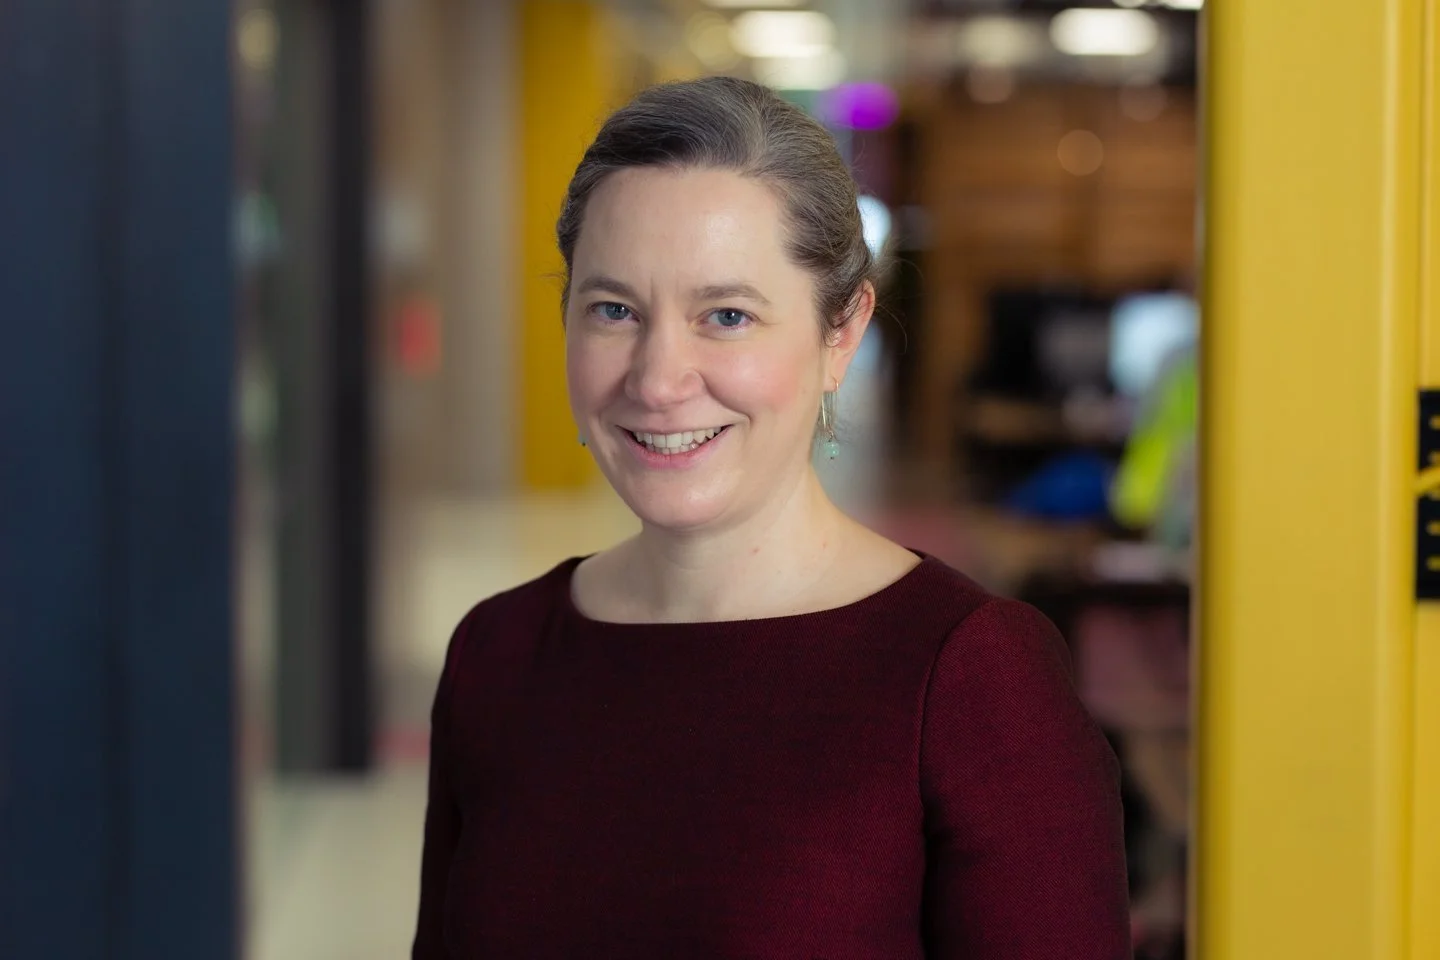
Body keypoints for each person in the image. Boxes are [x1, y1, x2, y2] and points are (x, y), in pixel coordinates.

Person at [411, 76, 1129, 959]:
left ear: (842, 335)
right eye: (614, 310)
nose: (658, 377)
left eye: (726, 315)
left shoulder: (972, 681)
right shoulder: (498, 653)